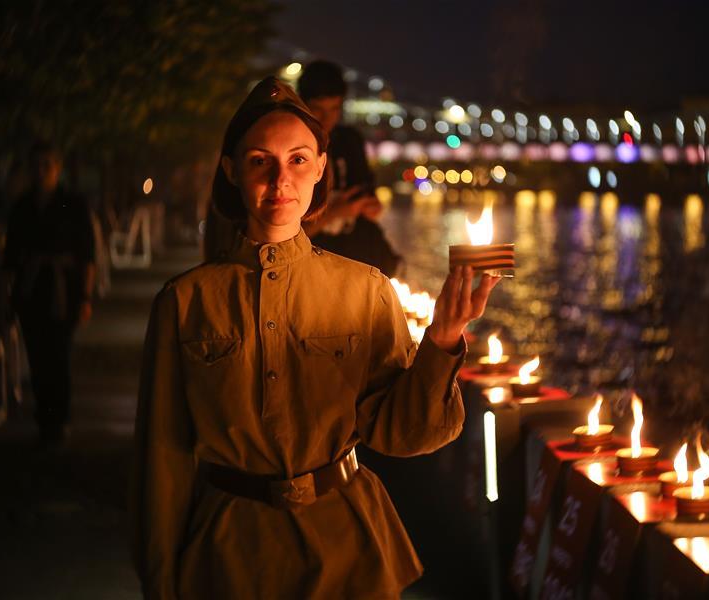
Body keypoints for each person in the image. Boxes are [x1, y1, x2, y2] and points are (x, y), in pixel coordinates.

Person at [130, 77, 501, 599]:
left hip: (345, 547)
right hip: (231, 552)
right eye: (260, 160)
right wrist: (161, 578)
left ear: (322, 167)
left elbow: (401, 433)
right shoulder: (185, 301)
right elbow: (161, 458)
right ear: (231, 170)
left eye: (299, 159)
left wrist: (442, 339)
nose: (281, 179)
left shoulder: (366, 289)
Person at [3, 142, 95, 446]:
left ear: (58, 168)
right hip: (31, 291)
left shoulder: (73, 204)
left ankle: (59, 418)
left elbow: (87, 254)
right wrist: (8, 296)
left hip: (63, 291)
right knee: (37, 356)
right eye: (37, 165)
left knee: (59, 355)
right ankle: (44, 416)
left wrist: (85, 296)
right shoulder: (22, 207)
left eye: (47, 165)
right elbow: (11, 257)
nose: (41, 171)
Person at [298, 60, 401, 277]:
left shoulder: (350, 141)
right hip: (312, 264)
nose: (327, 119)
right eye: (318, 109)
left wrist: (371, 206)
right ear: (302, 104)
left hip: (358, 257)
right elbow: (283, 236)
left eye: (335, 109)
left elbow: (367, 193)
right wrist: (335, 212)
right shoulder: (294, 148)